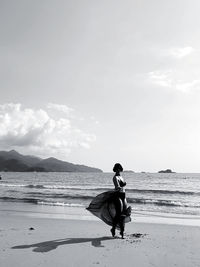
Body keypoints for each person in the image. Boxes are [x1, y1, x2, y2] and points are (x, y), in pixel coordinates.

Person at [110, 163, 128, 238]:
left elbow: (123, 185)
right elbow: (117, 187)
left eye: (119, 169)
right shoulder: (115, 178)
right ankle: (113, 228)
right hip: (117, 195)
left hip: (123, 195)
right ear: (115, 169)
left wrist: (123, 185)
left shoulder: (121, 177)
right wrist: (122, 186)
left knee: (124, 213)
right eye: (117, 169)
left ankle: (122, 231)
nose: (118, 170)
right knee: (118, 214)